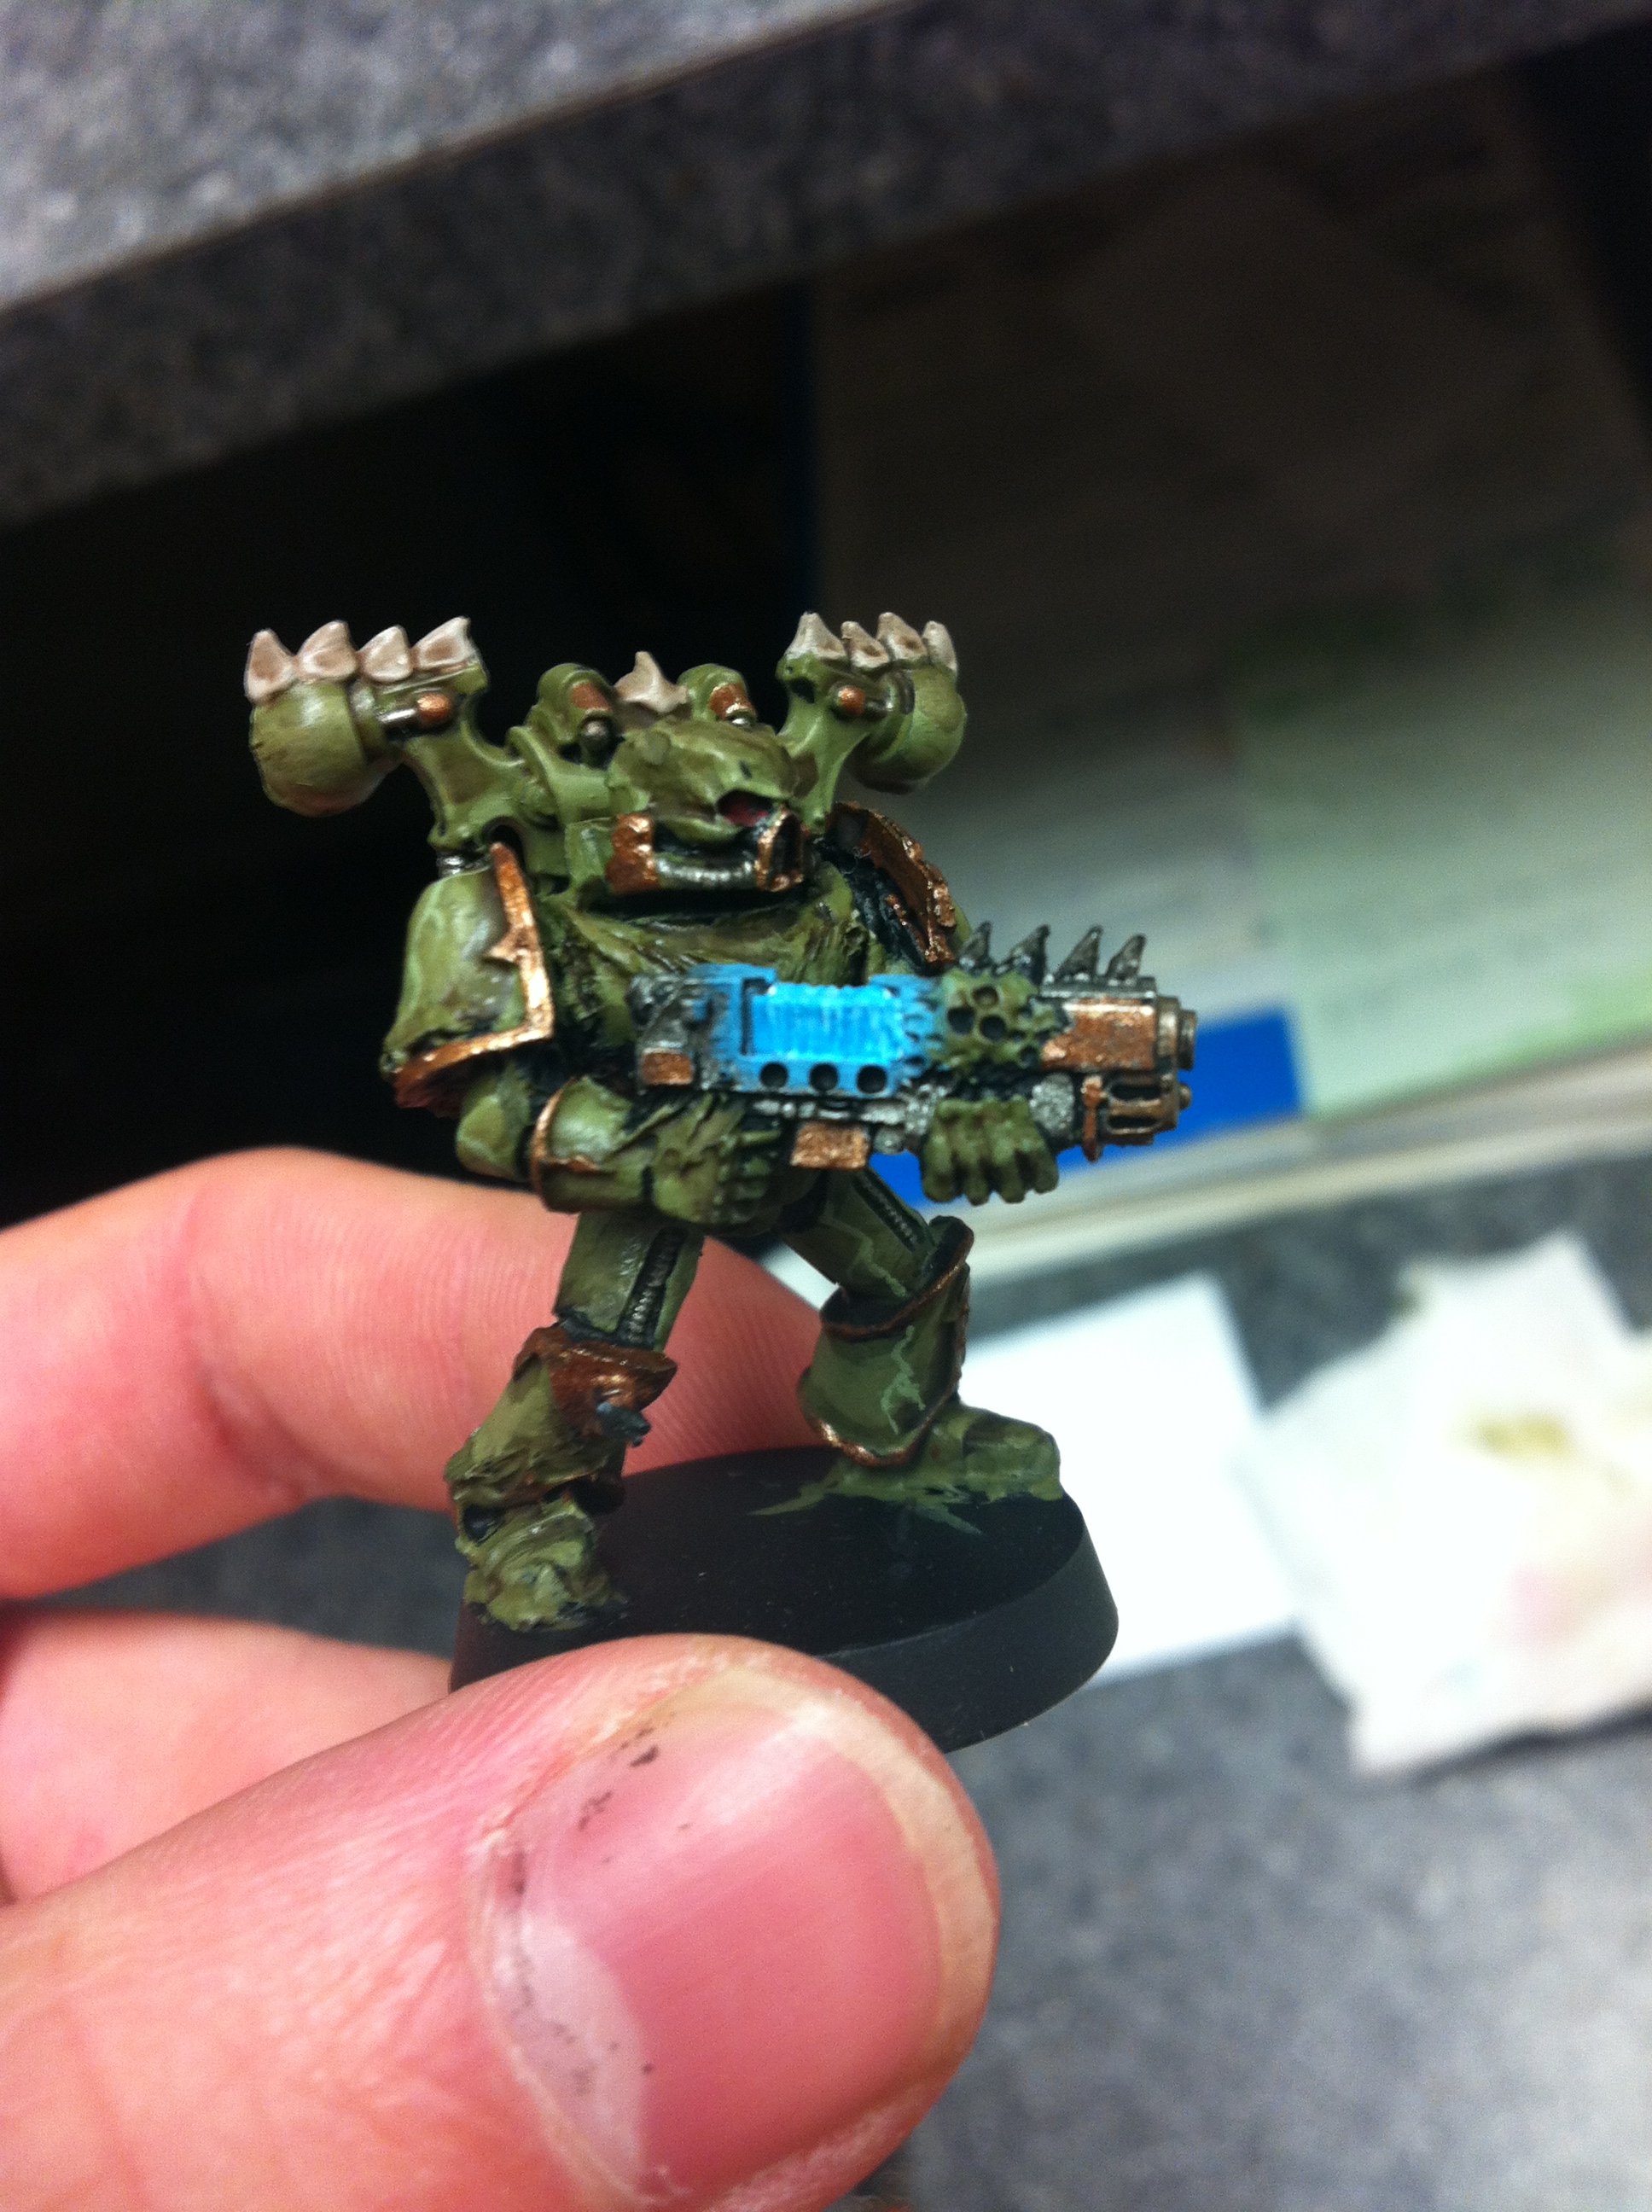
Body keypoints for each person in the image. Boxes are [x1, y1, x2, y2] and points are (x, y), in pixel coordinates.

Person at [0, 1150, 998, 2211]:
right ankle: (531, 1520)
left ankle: (898, 1435)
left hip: (790, 1141)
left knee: (904, 1267)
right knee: (603, 1343)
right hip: (658, 1159)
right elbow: (479, 1083)